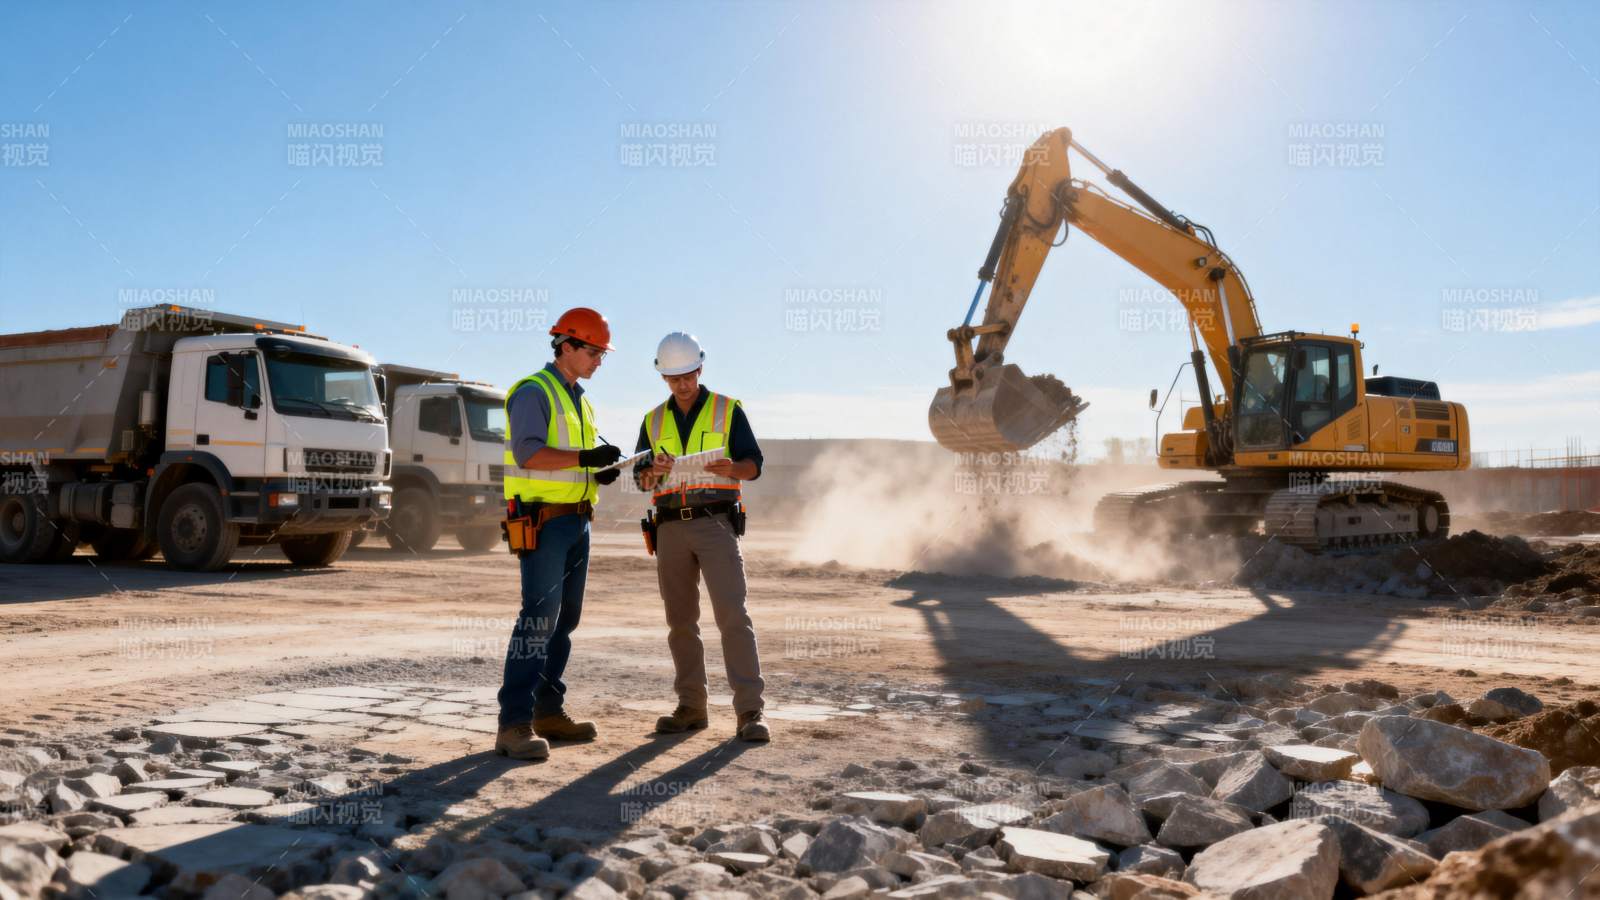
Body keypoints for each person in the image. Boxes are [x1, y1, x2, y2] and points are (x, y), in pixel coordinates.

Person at [494, 307, 623, 760]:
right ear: (566, 346)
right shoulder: (534, 391)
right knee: (538, 619)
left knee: (564, 621)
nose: (599, 361)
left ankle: (548, 711)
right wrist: (586, 459)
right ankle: (514, 724)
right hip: (544, 522)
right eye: (594, 351)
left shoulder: (579, 398)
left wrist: (599, 470)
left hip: (576, 521)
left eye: (602, 354)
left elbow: (575, 458)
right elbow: (530, 455)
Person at [634, 331, 769, 742]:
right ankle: (692, 706)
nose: (683, 384)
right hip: (670, 527)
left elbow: (755, 465)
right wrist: (652, 471)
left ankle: (750, 712)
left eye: (689, 375)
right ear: (664, 378)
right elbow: (641, 481)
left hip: (715, 523)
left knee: (732, 616)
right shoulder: (652, 420)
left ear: (700, 368)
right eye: (674, 378)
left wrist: (734, 468)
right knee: (680, 622)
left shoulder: (728, 410)